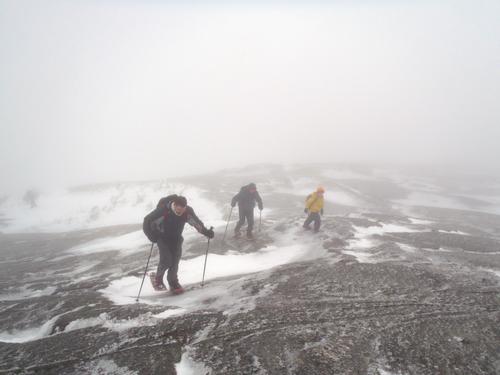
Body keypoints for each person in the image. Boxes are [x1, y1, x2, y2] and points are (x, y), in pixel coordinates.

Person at [143, 194, 214, 294]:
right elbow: (147, 221)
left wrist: (206, 232)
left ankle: (173, 282)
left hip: (176, 238)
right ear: (174, 205)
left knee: (175, 261)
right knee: (166, 260)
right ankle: (158, 279)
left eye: (182, 208)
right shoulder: (164, 211)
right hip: (162, 237)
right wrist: (152, 236)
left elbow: (196, 223)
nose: (179, 210)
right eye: (178, 207)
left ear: (185, 207)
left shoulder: (187, 212)